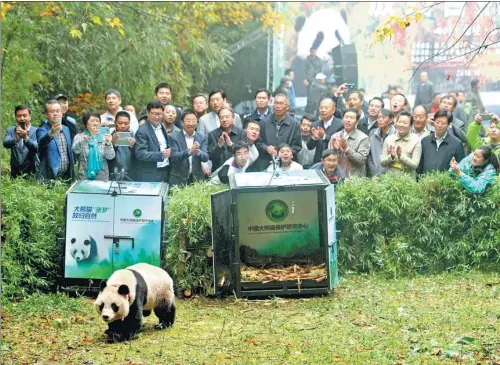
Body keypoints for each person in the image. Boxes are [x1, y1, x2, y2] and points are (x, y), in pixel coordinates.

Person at [254, 94, 302, 171]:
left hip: (287, 166)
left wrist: (284, 153)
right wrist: (266, 148)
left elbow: (297, 146)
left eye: (281, 103)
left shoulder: (294, 124)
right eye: (276, 103)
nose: (278, 106)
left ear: (287, 106)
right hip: (266, 163)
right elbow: (257, 142)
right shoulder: (264, 122)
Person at [36, 100, 75, 181]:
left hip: (67, 176)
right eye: (52, 111)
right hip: (50, 176)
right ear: (46, 114)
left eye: (58, 111)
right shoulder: (42, 130)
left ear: (62, 113)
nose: (55, 114)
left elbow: (69, 152)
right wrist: (51, 133)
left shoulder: (66, 129)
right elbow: (41, 144)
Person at [168, 110, 209, 187]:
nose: (191, 123)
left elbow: (206, 157)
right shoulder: (174, 137)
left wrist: (198, 152)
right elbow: (174, 157)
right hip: (178, 179)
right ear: (182, 123)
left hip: (197, 179)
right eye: (188, 120)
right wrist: (189, 151)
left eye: (194, 120)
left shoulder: (202, 137)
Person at [418, 109, 465, 175]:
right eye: (437, 122)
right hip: (425, 183)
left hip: (446, 183)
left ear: (449, 124)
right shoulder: (425, 141)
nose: (439, 126)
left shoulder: (457, 144)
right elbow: (420, 166)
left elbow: (461, 167)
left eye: (443, 123)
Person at [72, 109, 115, 181]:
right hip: (84, 178)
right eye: (92, 121)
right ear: (86, 123)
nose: (95, 123)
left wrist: (108, 143)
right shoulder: (79, 137)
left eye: (97, 121)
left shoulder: (104, 137)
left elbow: (110, 157)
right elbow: (75, 150)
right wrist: (88, 137)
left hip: (102, 179)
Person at [134, 101, 171, 182]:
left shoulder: (162, 126)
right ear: (148, 113)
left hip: (165, 169)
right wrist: (160, 154)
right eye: (154, 114)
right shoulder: (142, 130)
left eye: (160, 114)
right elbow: (140, 154)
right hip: (151, 172)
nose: (157, 117)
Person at [328, 108, 370, 177]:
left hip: (355, 179)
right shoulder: (335, 136)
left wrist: (347, 149)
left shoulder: (363, 138)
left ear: (357, 122)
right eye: (346, 117)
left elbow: (361, 160)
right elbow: (329, 159)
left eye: (351, 118)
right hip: (337, 177)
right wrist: (336, 150)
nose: (348, 120)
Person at [380, 111, 422, 178]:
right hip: (390, 180)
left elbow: (415, 165)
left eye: (405, 123)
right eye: (399, 122)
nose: (401, 125)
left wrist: (401, 156)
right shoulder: (389, 139)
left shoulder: (416, 141)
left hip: (407, 181)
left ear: (411, 125)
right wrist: (391, 157)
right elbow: (382, 162)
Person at [3, 105, 39, 179]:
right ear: (15, 117)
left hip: (32, 172)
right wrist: (16, 139)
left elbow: (36, 148)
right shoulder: (11, 130)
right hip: (15, 172)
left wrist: (26, 138)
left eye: (25, 115)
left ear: (30, 116)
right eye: (19, 116)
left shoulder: (36, 131)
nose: (22, 118)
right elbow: (5, 144)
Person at [207, 107, 246, 172]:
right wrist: (219, 146)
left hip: (237, 171)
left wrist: (231, 145)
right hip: (218, 172)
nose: (224, 120)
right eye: (221, 118)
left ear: (233, 118)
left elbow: (243, 155)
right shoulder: (212, 134)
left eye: (227, 117)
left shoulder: (242, 133)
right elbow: (211, 157)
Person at [307, 98, 344, 165]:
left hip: (334, 162)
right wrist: (314, 138)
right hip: (318, 162)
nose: (323, 110)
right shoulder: (315, 124)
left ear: (333, 110)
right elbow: (310, 147)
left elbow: (339, 144)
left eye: (326, 108)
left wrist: (324, 136)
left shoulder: (340, 124)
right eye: (321, 108)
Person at [367, 108, 395, 177]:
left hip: (390, 174)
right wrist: (374, 172)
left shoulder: (396, 135)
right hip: (374, 174)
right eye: (379, 117)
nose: (380, 119)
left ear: (391, 120)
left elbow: (393, 158)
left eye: (383, 117)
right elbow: (369, 155)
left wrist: (379, 174)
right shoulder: (372, 133)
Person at [110, 110, 137, 180]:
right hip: (114, 175)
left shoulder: (134, 137)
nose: (123, 126)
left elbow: (138, 159)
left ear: (129, 124)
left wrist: (133, 148)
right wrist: (113, 144)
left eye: (126, 123)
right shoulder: (109, 137)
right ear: (115, 123)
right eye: (120, 123)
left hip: (131, 175)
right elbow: (107, 160)